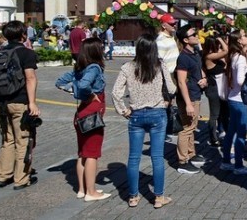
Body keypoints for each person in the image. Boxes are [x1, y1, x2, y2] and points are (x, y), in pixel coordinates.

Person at [112, 34, 176, 209]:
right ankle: (158, 197)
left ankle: (133, 197)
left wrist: (123, 110)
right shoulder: (160, 65)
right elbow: (171, 88)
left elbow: (116, 92)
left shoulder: (127, 67)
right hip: (157, 113)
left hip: (137, 114)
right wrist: (165, 99)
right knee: (157, 157)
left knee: (134, 158)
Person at [55, 39, 110, 201]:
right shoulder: (94, 68)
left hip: (80, 114)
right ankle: (91, 192)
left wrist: (73, 89)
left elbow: (59, 82)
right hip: (92, 115)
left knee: (83, 154)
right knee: (92, 153)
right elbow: (85, 85)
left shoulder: (80, 67)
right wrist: (90, 95)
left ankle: (82, 189)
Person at [0, 21, 40, 190]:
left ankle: (3, 175)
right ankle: (21, 178)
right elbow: (30, 78)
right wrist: (32, 102)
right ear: (23, 35)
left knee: (7, 139)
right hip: (19, 102)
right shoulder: (26, 54)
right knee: (23, 140)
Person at [220, 30, 247, 174]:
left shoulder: (233, 56)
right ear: (239, 41)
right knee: (241, 133)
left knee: (231, 132)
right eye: (245, 36)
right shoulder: (239, 58)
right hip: (240, 100)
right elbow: (240, 80)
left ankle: (226, 161)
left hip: (233, 98)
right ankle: (239, 165)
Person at [175, 25, 207, 174]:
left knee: (192, 127)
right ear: (186, 40)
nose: (196, 35)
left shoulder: (194, 53)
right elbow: (181, 81)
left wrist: (204, 79)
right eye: (193, 34)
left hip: (196, 94)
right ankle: (182, 161)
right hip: (189, 97)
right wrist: (188, 103)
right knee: (186, 129)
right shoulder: (183, 57)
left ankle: (191, 154)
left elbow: (199, 70)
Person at [202, 34, 230, 146]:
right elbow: (226, 50)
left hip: (222, 87)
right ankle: (213, 138)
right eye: (217, 44)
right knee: (215, 114)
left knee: (224, 113)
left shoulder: (215, 56)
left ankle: (227, 133)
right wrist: (220, 39)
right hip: (213, 88)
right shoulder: (209, 56)